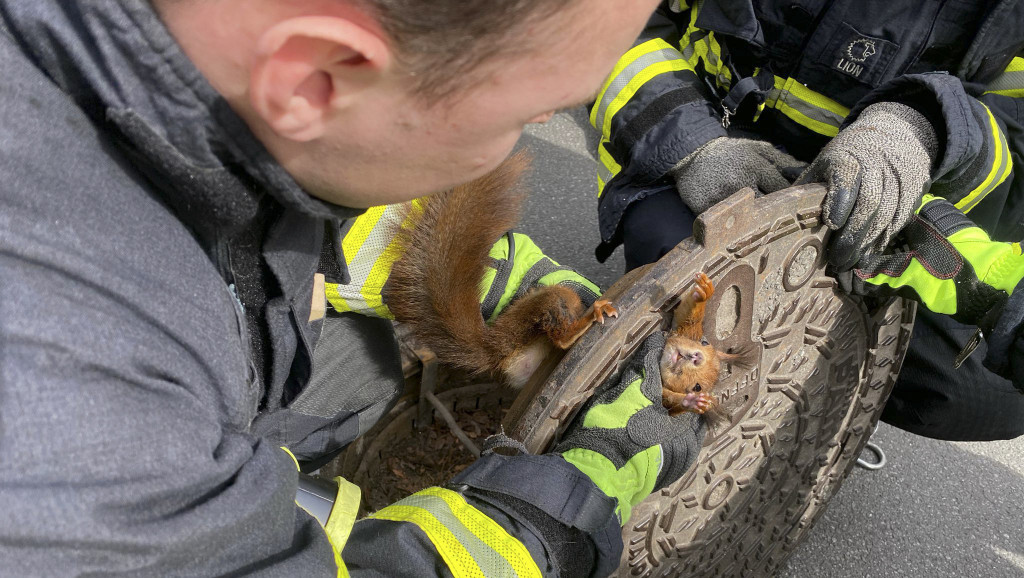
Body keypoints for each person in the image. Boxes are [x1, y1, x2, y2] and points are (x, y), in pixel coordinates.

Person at [0, 0, 706, 576]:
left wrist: (504, 287)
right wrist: (570, 501)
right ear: (316, 75)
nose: (542, 127)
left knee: (361, 368)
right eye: (523, 113)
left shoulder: (196, 71)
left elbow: (353, 217)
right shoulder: (75, 419)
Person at [590, 0, 1024, 441]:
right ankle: (645, 422)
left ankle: (797, 408)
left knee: (981, 392)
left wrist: (924, 131)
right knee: (689, 276)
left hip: (886, 189)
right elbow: (597, 15)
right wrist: (688, 143)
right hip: (717, 138)